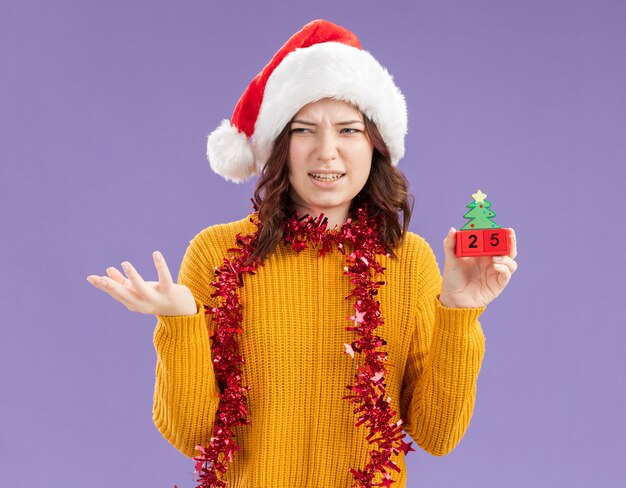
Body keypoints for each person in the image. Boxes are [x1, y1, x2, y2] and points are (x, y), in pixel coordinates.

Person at [86, 19, 518, 488]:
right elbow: (192, 434)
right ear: (279, 146)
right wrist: (180, 321)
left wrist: (459, 312)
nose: (326, 152)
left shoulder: (407, 260)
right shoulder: (217, 252)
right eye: (303, 130)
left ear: (375, 145)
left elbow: (437, 435)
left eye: (349, 130)